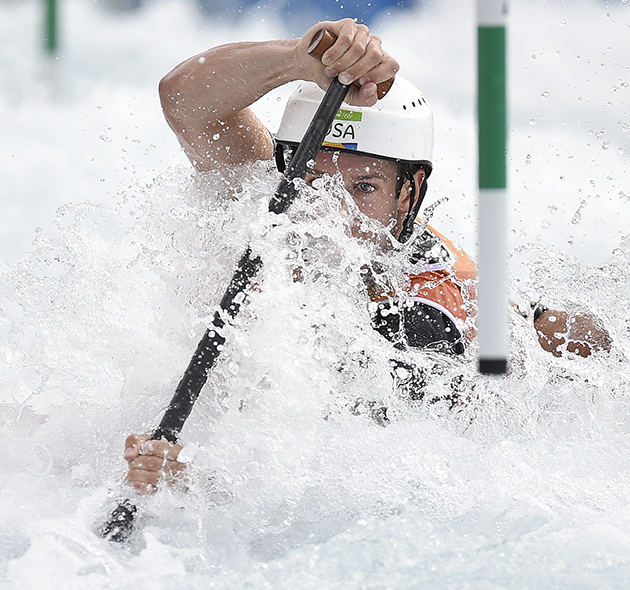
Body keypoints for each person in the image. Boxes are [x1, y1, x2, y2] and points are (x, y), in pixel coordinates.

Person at [123, 19, 611, 495]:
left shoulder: (426, 315)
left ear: (407, 193)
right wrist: (297, 57)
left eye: (362, 187)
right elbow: (183, 98)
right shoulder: (268, 195)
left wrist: (198, 480)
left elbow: (330, 475)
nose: (330, 211)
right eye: (315, 179)